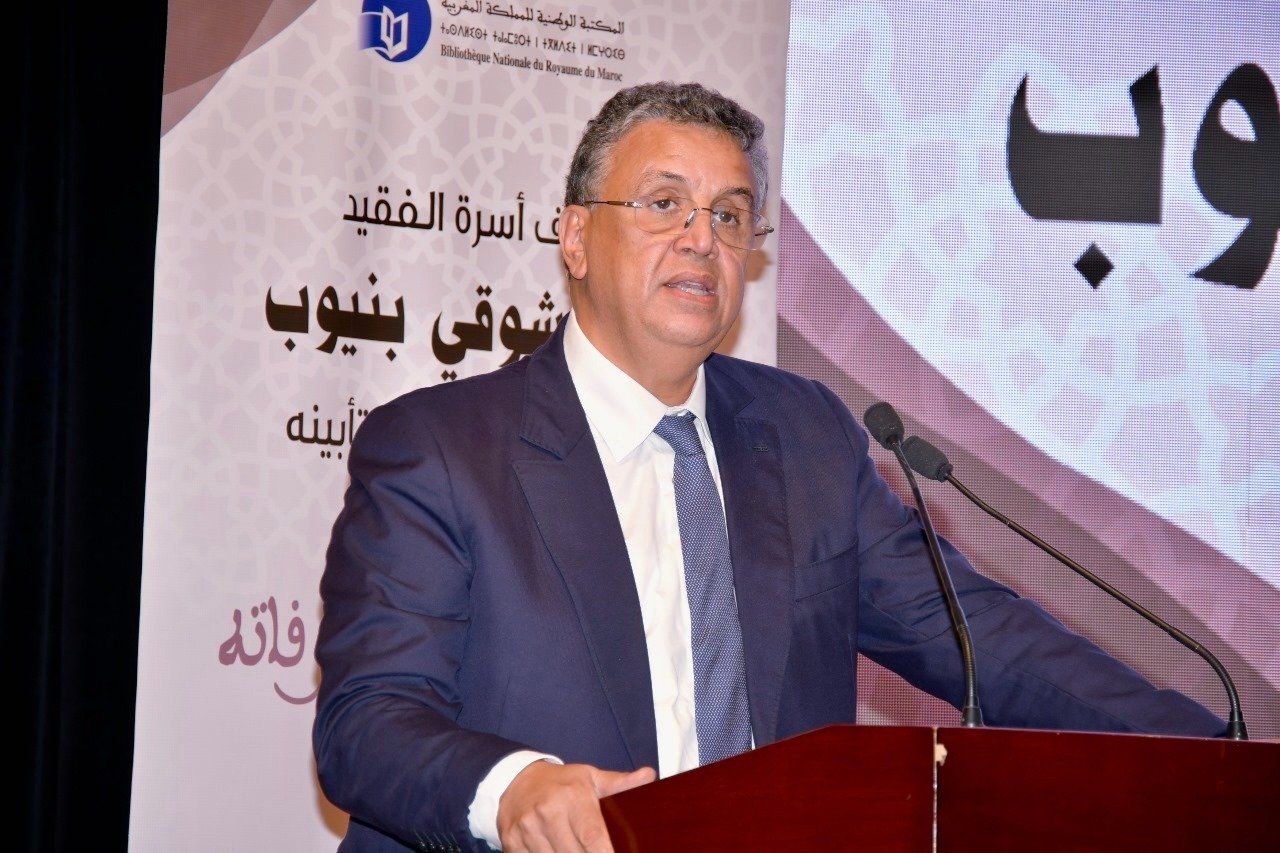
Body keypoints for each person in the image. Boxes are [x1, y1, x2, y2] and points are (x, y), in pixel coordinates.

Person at [313, 81, 1224, 853]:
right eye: (663, 204)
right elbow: (366, 722)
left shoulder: (804, 434)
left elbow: (978, 634)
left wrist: (1214, 755)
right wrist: (513, 787)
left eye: (730, 215)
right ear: (577, 237)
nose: (702, 239)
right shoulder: (440, 449)